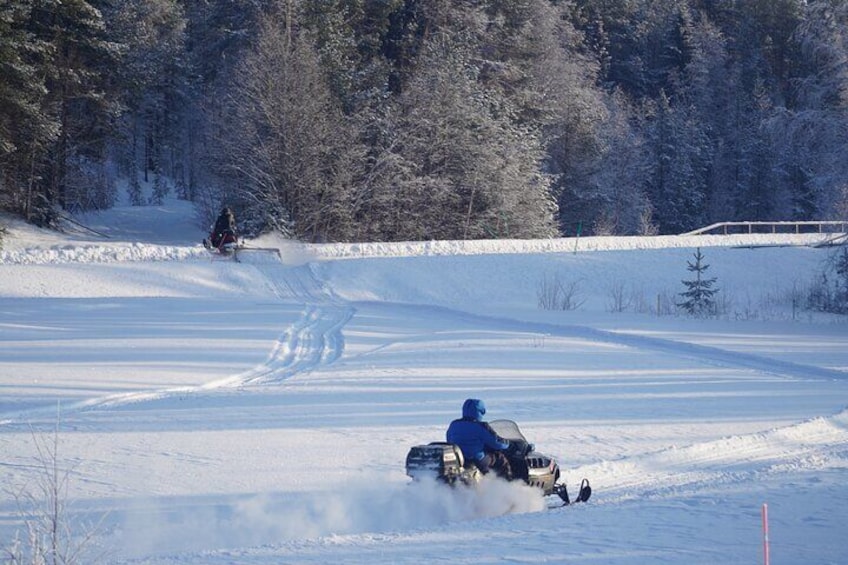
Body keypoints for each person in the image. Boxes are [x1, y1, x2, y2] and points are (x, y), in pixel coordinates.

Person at [446, 398, 513, 480]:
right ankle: (507, 484)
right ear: (480, 412)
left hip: (460, 460)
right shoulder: (480, 426)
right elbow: (496, 443)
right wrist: (508, 444)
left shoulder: (454, 424)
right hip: (477, 459)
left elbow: (449, 440)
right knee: (500, 459)